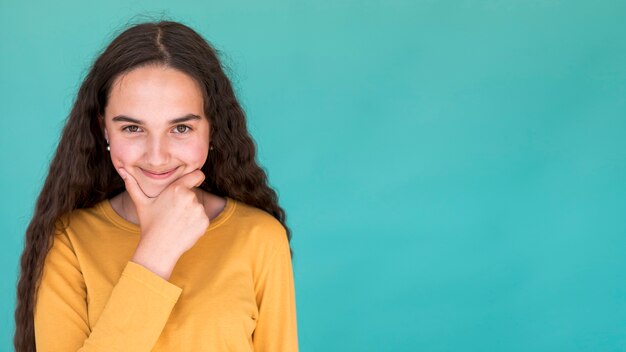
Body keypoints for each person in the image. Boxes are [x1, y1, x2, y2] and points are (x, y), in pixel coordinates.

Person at [13, 20, 298, 352]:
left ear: (211, 129)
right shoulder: (68, 241)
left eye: (181, 128)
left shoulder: (260, 238)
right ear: (104, 130)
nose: (157, 156)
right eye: (133, 128)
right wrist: (155, 252)